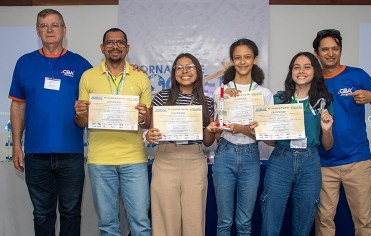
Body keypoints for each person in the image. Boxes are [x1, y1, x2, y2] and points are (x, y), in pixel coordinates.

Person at [8, 9, 92, 236]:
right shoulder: (24, 63)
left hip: (71, 154)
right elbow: (18, 106)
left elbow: (102, 92)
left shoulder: (81, 64)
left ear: (64, 30)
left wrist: (131, 69)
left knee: (71, 213)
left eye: (55, 25)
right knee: (42, 215)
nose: (50, 30)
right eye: (44, 26)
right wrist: (17, 145)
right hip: (36, 154)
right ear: (37, 31)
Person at [312, 29, 371, 236]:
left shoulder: (357, 75)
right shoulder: (312, 80)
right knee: (324, 222)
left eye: (335, 49)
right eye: (325, 49)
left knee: (364, 222)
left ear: (340, 50)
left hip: (357, 161)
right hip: (322, 164)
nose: (331, 53)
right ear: (316, 53)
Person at [74, 28, 152, 235]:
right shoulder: (88, 77)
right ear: (102, 47)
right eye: (110, 42)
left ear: (127, 48)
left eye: (120, 43)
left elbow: (148, 122)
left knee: (141, 223)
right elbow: (81, 122)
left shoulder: (140, 77)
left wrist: (144, 115)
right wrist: (81, 112)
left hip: (134, 159)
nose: (115, 46)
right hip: (100, 160)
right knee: (108, 225)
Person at [256, 52, 334, 236]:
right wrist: (261, 131)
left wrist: (327, 130)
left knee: (304, 221)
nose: (301, 71)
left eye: (307, 66)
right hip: (281, 159)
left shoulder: (323, 102)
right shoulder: (278, 100)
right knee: (271, 218)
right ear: (291, 71)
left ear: (315, 71)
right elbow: (272, 141)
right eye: (296, 67)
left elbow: (328, 146)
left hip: (310, 162)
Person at [206, 38, 273, 235]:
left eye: (247, 57)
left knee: (244, 222)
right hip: (225, 152)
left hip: (251, 155)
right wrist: (224, 103)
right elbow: (215, 128)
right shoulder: (220, 91)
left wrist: (243, 129)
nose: (242, 62)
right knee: (224, 221)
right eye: (238, 57)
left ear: (255, 59)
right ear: (232, 61)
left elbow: (266, 134)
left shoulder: (264, 93)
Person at [145, 53, 215, 236]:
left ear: (198, 71)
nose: (185, 71)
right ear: (174, 72)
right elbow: (152, 130)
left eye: (190, 67)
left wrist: (211, 130)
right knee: (165, 220)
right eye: (179, 67)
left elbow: (208, 141)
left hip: (194, 160)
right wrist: (150, 134)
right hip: (166, 159)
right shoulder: (162, 97)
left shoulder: (208, 102)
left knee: (194, 221)